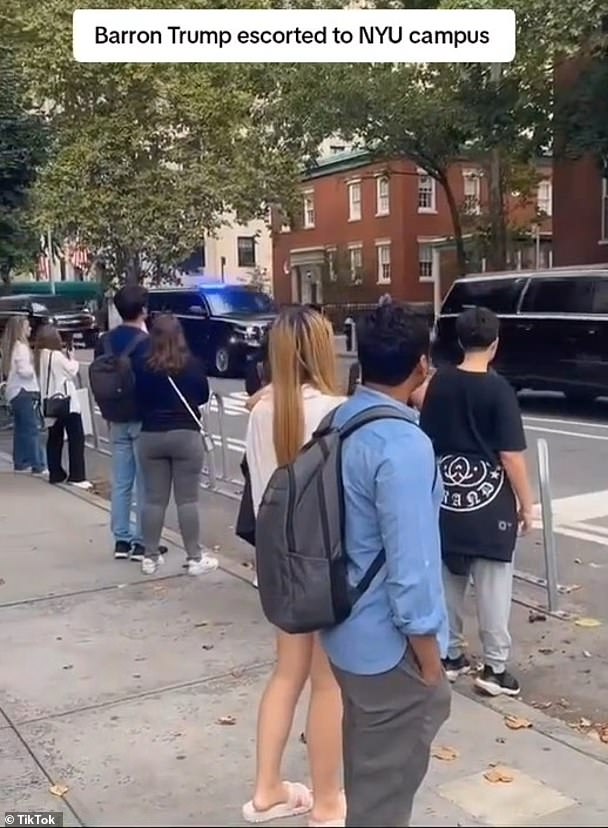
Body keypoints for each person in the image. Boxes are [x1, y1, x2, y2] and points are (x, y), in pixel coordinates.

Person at [320, 301, 450, 828]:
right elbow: (412, 569)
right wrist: (431, 663)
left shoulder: (342, 420)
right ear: (421, 365)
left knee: (368, 771)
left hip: (342, 628)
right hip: (388, 645)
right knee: (383, 802)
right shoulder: (403, 444)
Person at [243, 305, 346, 827]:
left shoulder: (263, 413)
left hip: (276, 559)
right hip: (324, 564)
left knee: (287, 673)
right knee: (329, 683)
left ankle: (267, 790)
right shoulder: (338, 410)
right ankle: (328, 803)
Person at [419, 306, 534, 697]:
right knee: (493, 587)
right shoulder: (499, 390)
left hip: (446, 501)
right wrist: (527, 504)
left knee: (449, 581)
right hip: (490, 508)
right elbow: (510, 456)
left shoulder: (439, 384)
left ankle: (450, 655)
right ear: (495, 344)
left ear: (459, 342)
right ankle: (495, 668)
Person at [132, 313, 216, 577]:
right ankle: (194, 557)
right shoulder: (192, 364)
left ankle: (150, 557)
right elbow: (202, 395)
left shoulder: (142, 365)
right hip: (185, 435)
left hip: (151, 435)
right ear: (180, 334)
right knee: (187, 500)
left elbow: (137, 399)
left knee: (154, 500)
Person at [94, 285, 150, 561]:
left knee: (121, 481)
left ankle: (121, 539)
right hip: (141, 416)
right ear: (143, 310)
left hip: (114, 415)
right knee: (144, 482)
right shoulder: (145, 342)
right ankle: (141, 541)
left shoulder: (104, 341)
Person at [35, 325, 91, 489]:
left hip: (50, 402)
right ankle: (77, 475)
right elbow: (71, 370)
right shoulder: (56, 355)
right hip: (66, 402)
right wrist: (72, 358)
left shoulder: (40, 356)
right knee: (76, 437)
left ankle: (56, 472)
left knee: (54, 438)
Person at [0, 316, 46, 474]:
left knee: (20, 429)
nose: (30, 329)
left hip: (14, 392)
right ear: (20, 329)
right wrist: (34, 367)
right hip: (24, 391)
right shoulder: (22, 348)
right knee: (31, 429)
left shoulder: (12, 347)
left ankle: (20, 461)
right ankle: (38, 463)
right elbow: (24, 371)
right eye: (27, 326)